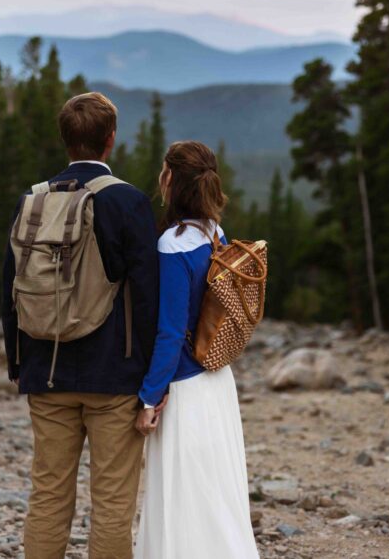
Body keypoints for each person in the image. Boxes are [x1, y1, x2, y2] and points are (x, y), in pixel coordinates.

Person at [3, 92, 159, 559]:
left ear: (65, 140)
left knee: (48, 495)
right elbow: (147, 295)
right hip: (114, 375)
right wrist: (152, 379)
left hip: (44, 367)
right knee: (112, 502)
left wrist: (18, 362)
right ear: (110, 140)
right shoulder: (128, 202)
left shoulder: (32, 202)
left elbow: (9, 286)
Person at [133, 141, 260, 559]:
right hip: (217, 379)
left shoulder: (173, 242)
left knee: (184, 495)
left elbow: (170, 332)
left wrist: (150, 397)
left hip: (185, 388)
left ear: (171, 180)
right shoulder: (214, 231)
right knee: (215, 491)